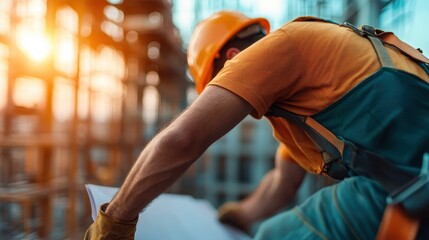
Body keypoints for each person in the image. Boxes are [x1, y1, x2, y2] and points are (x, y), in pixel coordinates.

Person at [85, 10, 429, 239]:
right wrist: (239, 216)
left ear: (234, 60)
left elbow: (182, 139)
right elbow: (282, 182)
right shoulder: (312, 93)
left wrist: (115, 218)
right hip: (409, 181)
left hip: (410, 186)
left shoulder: (275, 48)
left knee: (273, 236)